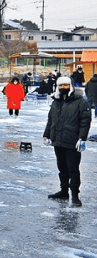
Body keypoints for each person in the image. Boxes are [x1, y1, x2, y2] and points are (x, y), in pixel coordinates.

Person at [43, 76, 91, 206]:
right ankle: (64, 192)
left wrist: (82, 138)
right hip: (58, 141)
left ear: (71, 86)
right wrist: (46, 135)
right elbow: (50, 120)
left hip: (72, 141)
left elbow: (85, 122)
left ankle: (75, 195)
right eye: (60, 85)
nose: (63, 88)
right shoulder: (56, 102)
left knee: (73, 169)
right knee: (62, 168)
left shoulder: (80, 102)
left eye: (65, 85)